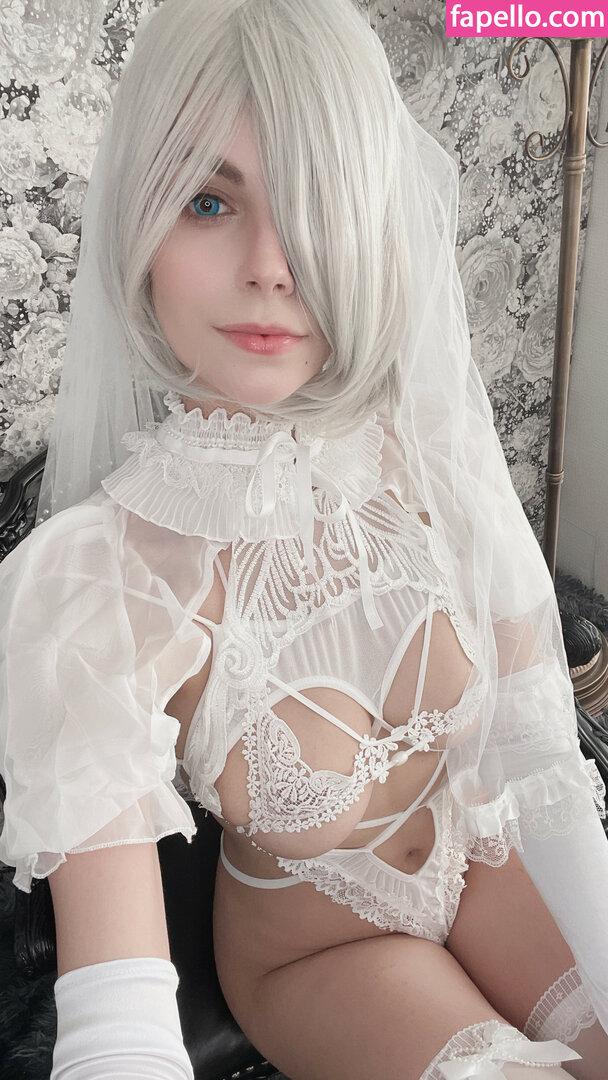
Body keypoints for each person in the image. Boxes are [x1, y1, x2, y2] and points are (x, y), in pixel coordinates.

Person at [1, 0, 608, 1077]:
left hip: (486, 856)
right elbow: (117, 1025)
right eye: (208, 201)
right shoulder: (97, 580)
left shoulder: (429, 450)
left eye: (319, 202)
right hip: (320, 952)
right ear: (139, 220)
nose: (274, 264)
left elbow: (538, 766)